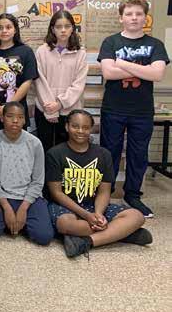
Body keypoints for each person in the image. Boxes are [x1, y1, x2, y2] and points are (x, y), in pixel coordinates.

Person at [46, 110, 152, 258]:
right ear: (66, 127)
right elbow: (56, 193)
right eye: (75, 126)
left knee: (137, 216)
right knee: (66, 224)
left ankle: (87, 242)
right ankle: (121, 233)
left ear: (91, 129)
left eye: (85, 127)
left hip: (94, 205)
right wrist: (86, 215)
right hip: (65, 206)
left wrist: (98, 214)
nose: (80, 131)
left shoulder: (103, 154)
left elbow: (104, 191)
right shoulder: (55, 153)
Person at [98, 0, 169, 218]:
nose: (134, 18)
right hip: (113, 108)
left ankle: (133, 196)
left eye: (139, 14)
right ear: (121, 18)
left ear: (145, 18)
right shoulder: (110, 42)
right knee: (109, 153)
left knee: (138, 155)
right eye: (129, 14)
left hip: (142, 111)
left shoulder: (155, 44)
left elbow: (157, 74)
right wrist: (142, 69)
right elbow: (108, 73)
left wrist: (122, 63)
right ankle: (105, 194)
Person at [0, 102, 54, 245]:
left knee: (44, 236)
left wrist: (23, 208)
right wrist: (6, 208)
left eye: (20, 117)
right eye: (10, 116)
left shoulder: (35, 143)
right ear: (2, 118)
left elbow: (37, 181)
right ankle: (13, 222)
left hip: (29, 197)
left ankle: (17, 222)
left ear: (24, 120)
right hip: (1, 197)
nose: (15, 120)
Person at [34, 10, 88, 151]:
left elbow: (78, 84)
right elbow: (39, 81)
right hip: (45, 109)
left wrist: (60, 104)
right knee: (45, 149)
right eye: (58, 27)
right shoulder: (42, 51)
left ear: (73, 28)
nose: (63, 30)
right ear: (52, 29)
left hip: (70, 111)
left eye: (67, 26)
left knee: (67, 151)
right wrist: (50, 109)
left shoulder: (81, 53)